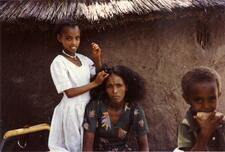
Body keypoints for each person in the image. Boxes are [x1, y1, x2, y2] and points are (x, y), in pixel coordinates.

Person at [48, 20, 109, 152]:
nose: (74, 43)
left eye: (77, 38)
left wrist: (97, 58)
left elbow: (98, 75)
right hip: (71, 111)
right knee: (74, 146)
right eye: (68, 38)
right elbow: (69, 93)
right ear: (60, 38)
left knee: (86, 146)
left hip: (88, 109)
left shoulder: (83, 59)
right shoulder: (59, 63)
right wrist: (94, 84)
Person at [83, 65, 149, 151]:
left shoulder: (134, 109)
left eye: (119, 85)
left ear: (126, 87)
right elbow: (87, 148)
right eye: (110, 86)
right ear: (105, 89)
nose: (115, 91)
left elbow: (144, 147)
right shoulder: (95, 107)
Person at [177, 66, 225, 151]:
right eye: (198, 100)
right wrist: (205, 134)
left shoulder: (220, 120)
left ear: (219, 95)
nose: (206, 106)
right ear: (187, 99)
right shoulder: (186, 125)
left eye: (212, 99)